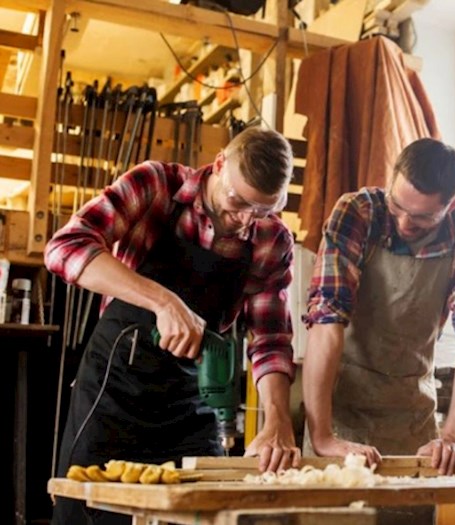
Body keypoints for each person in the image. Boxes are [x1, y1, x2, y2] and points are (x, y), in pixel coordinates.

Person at [46, 127, 300, 525]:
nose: (245, 219)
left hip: (189, 403)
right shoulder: (157, 185)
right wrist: (162, 300)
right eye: (238, 201)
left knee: (204, 515)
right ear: (219, 165)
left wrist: (277, 419)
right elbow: (65, 248)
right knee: (86, 513)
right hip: (112, 396)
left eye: (263, 209)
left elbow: (269, 337)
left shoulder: (271, 240)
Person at [302, 138, 455, 477]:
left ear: (450, 206)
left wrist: (452, 436)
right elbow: (326, 322)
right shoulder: (358, 213)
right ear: (392, 180)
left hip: (412, 414)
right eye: (397, 207)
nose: (405, 223)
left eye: (422, 217)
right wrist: (322, 437)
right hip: (340, 410)